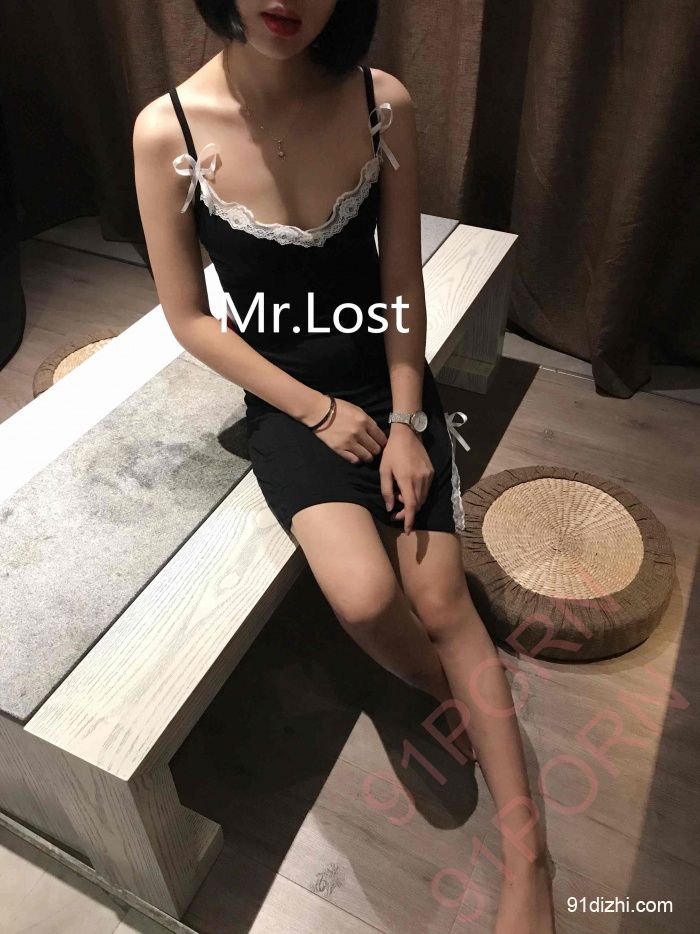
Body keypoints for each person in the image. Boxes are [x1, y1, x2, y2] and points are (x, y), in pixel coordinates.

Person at [133, 2, 556, 929]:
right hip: (289, 400)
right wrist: (316, 412)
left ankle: (530, 860)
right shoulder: (168, 129)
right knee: (364, 600)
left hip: (384, 377)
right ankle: (457, 699)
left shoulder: (381, 101)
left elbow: (400, 280)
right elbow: (190, 319)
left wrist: (404, 419)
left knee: (440, 597)